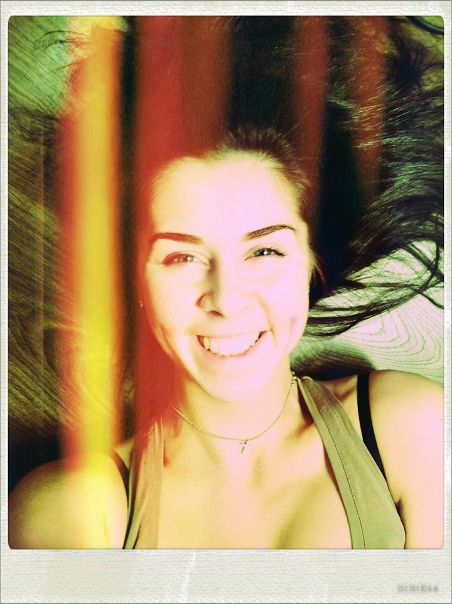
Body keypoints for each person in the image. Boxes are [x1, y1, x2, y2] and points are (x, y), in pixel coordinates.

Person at [8, 128, 443, 549]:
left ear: (311, 266)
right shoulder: (71, 509)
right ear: (136, 281)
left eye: (264, 251)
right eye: (182, 257)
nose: (227, 301)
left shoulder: (410, 424)